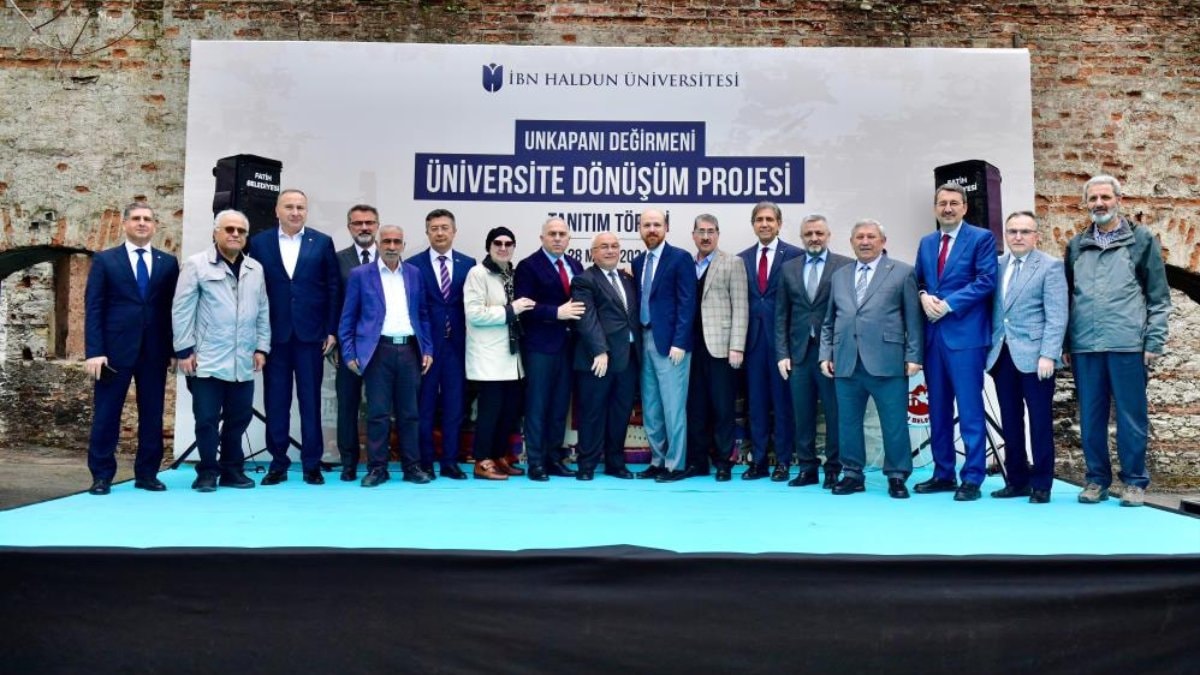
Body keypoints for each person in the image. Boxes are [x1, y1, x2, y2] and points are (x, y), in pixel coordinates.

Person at [1064, 175, 1171, 507]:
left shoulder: (1141, 240)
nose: (1099, 203)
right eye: (1093, 198)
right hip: (1085, 346)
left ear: (1118, 200)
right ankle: (1096, 480)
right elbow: (1067, 298)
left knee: (1131, 418)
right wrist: (1067, 344)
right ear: (1086, 203)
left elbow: (1159, 297)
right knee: (1090, 419)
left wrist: (1153, 341)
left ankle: (1135, 482)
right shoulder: (1076, 246)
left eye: (1105, 197)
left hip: (1128, 345)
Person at [820, 219, 922, 498]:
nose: (865, 241)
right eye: (859, 237)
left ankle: (897, 476)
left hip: (888, 361)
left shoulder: (902, 272)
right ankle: (852, 474)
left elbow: (913, 320)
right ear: (851, 242)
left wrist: (914, 355)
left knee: (894, 423)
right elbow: (830, 320)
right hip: (846, 361)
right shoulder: (839, 276)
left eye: (871, 237)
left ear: (882, 241)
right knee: (847, 423)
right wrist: (825, 354)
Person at [83, 202, 179, 495]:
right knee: (107, 414)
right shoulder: (105, 260)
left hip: (154, 351)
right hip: (113, 352)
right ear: (125, 224)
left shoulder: (168, 263)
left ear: (155, 225)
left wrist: (174, 349)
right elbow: (94, 307)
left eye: (147, 219)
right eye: (136, 218)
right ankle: (101, 476)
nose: (142, 223)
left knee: (152, 414)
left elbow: (173, 309)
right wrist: (94, 351)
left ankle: (147, 474)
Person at [172, 210, 270, 492]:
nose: (235, 234)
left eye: (241, 231)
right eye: (229, 229)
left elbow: (262, 310)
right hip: (207, 358)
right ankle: (206, 472)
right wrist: (184, 350)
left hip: (243, 359)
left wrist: (262, 347)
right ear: (216, 232)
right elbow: (181, 309)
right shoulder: (196, 265)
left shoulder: (255, 269)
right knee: (206, 419)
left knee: (239, 418)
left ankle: (231, 470)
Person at [912, 183, 998, 502]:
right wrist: (923, 296)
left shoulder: (981, 238)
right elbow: (919, 280)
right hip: (933, 337)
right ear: (935, 208)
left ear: (964, 207)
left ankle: (972, 477)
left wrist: (948, 305)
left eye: (953, 203)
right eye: (942, 203)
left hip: (966, 337)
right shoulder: (926, 242)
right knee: (937, 410)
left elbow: (986, 281)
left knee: (970, 409)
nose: (947, 208)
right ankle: (943, 473)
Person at [250, 189, 341, 486]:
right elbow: (253, 290)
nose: (295, 212)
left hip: (310, 336)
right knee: (276, 402)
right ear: (277, 210)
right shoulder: (259, 243)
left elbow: (332, 288)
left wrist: (331, 329)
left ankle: (311, 464)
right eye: (289, 206)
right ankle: (278, 463)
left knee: (310, 402)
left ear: (306, 211)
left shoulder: (322, 242)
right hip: (274, 336)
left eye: (300, 207)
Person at [338, 224, 434, 487]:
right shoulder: (360, 275)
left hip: (410, 351)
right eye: (387, 241)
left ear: (404, 245)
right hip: (377, 351)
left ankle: (412, 467)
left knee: (410, 414)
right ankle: (377, 468)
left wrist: (427, 349)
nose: (392, 246)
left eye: (397, 242)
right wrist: (349, 353)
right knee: (378, 414)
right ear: (378, 244)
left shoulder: (414, 274)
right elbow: (348, 318)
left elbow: (423, 315)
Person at [986, 211, 1068, 504]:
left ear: (1036, 236)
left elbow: (1057, 315)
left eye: (1024, 231)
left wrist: (1048, 354)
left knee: (1040, 421)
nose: (1018, 236)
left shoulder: (1050, 266)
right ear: (1005, 235)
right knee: (1010, 421)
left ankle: (1042, 483)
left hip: (1036, 358)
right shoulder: (996, 266)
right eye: (1012, 231)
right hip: (1002, 355)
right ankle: (1017, 480)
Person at [775, 214, 852, 489]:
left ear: (828, 235)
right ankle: (807, 468)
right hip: (799, 355)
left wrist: (838, 351)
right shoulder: (788, 268)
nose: (814, 238)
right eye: (808, 234)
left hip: (831, 355)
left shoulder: (845, 266)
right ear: (801, 237)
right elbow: (781, 315)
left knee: (834, 414)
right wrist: (782, 353)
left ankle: (833, 468)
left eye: (819, 233)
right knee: (802, 414)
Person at [514, 217, 585, 481]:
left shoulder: (575, 265)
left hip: (568, 347)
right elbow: (523, 307)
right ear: (542, 237)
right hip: (539, 347)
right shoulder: (528, 266)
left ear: (568, 239)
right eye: (552, 233)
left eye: (562, 234)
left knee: (559, 406)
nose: (557, 238)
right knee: (537, 406)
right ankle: (536, 463)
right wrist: (557, 312)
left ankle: (554, 459)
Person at [409, 209, 476, 480]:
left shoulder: (468, 264)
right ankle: (425, 462)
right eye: (434, 228)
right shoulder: (413, 265)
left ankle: (450, 462)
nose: (439, 233)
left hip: (457, 346)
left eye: (444, 227)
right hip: (425, 347)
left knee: (454, 407)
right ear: (427, 232)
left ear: (454, 232)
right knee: (424, 407)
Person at [464, 227, 535, 481]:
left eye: (508, 244)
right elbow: (474, 314)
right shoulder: (477, 273)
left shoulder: (512, 274)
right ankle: (482, 461)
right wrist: (510, 309)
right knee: (489, 412)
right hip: (489, 356)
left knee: (509, 411)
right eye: (498, 243)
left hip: (512, 357)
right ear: (488, 246)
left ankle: (498, 456)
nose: (503, 248)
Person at [632, 208, 696, 483]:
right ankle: (657, 460)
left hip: (671, 345)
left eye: (657, 224)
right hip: (644, 340)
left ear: (666, 228)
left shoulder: (680, 258)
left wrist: (680, 341)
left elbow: (687, 302)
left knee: (673, 407)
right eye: (647, 225)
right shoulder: (638, 262)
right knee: (652, 407)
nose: (652, 230)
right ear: (640, 229)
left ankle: (676, 465)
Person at [739, 201, 801, 481]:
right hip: (752, 343)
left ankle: (784, 462)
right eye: (759, 220)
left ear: (779, 223)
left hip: (783, 344)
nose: (764, 224)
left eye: (769, 219)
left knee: (783, 404)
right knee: (756, 405)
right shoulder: (742, 259)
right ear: (753, 225)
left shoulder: (795, 256)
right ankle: (759, 461)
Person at [571, 232, 640, 481]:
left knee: (620, 413)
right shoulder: (584, 280)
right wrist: (600, 350)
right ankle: (587, 465)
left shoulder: (627, 278)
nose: (610, 251)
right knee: (592, 413)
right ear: (593, 253)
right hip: (598, 359)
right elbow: (586, 318)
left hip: (628, 359)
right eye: (604, 247)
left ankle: (615, 463)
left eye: (614, 246)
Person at [685, 214, 747, 482]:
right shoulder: (687, 264)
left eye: (711, 231)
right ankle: (698, 462)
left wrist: (737, 346)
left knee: (723, 408)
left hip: (722, 348)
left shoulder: (732, 263)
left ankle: (723, 462)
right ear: (693, 235)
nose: (706, 236)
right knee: (695, 408)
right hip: (691, 348)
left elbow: (741, 307)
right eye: (701, 231)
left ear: (718, 234)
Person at [333, 204, 379, 481]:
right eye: (358, 223)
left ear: (377, 226)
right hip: (348, 347)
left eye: (369, 223)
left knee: (379, 408)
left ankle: (376, 463)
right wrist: (335, 340)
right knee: (347, 406)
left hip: (380, 348)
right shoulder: (337, 259)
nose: (364, 227)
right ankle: (348, 463)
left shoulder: (391, 258)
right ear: (349, 227)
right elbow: (332, 302)